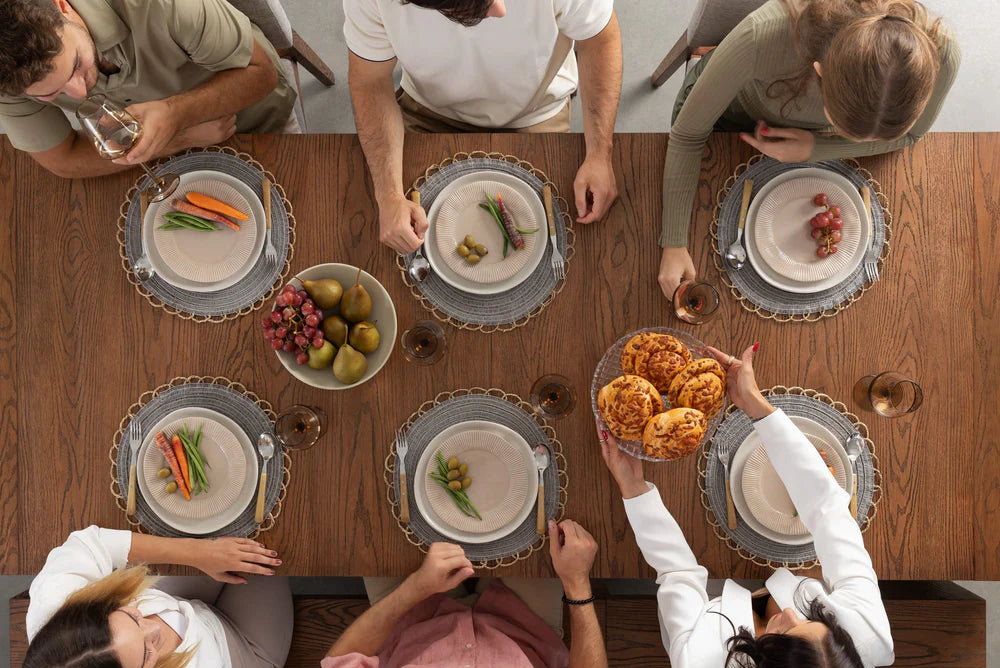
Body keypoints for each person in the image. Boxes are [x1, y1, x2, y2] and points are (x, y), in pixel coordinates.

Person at [597, 343, 894, 668]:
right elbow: (827, 510)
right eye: (810, 622)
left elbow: (679, 573)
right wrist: (754, 405)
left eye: (784, 634)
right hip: (780, 564)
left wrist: (634, 488)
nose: (791, 615)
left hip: (706, 607)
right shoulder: (867, 633)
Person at [657, 0, 960, 299]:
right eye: (840, 127)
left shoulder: (940, 52)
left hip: (798, 138)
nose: (852, 143)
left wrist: (816, 148)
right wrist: (673, 243)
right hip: (731, 115)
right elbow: (687, 134)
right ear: (820, 71)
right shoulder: (762, 35)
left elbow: (911, 137)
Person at [343, 0, 623, 255]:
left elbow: (599, 41)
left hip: (538, 111)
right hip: (428, 111)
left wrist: (600, 153)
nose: (502, 9)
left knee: (559, 245)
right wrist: (388, 195)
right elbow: (370, 82)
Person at [22, 527, 325, 668]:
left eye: (132, 618)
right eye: (146, 653)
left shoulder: (57, 601)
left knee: (237, 527)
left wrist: (199, 555)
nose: (155, 629)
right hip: (244, 651)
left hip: (177, 599)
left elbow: (92, 543)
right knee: (270, 547)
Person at [320, 526, 616, 668]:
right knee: (545, 520)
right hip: (525, 625)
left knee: (375, 521)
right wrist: (576, 582)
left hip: (411, 614)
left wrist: (416, 587)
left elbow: (343, 662)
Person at [0, 0, 298, 179]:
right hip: (163, 159)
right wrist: (179, 137)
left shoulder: (158, 4)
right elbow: (62, 160)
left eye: (77, 64)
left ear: (62, 6)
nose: (78, 93)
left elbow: (263, 74)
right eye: (49, 94)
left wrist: (176, 113)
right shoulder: (7, 77)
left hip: (257, 125)